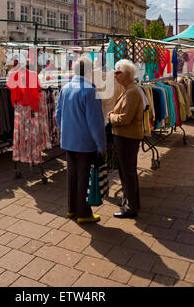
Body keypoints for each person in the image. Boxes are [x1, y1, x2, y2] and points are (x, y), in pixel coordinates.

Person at [56, 56, 106, 224]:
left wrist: (66, 131)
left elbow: (58, 114)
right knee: (84, 177)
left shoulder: (66, 88)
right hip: (85, 143)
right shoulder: (90, 91)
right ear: (89, 72)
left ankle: (71, 209)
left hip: (69, 140)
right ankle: (84, 213)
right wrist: (101, 144)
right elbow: (96, 123)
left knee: (72, 175)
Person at [108, 59, 143, 218]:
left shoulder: (132, 92)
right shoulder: (128, 90)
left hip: (126, 138)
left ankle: (130, 208)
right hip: (125, 137)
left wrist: (111, 117)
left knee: (127, 172)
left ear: (127, 74)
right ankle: (131, 202)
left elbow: (125, 118)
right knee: (127, 171)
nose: (115, 75)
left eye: (118, 72)